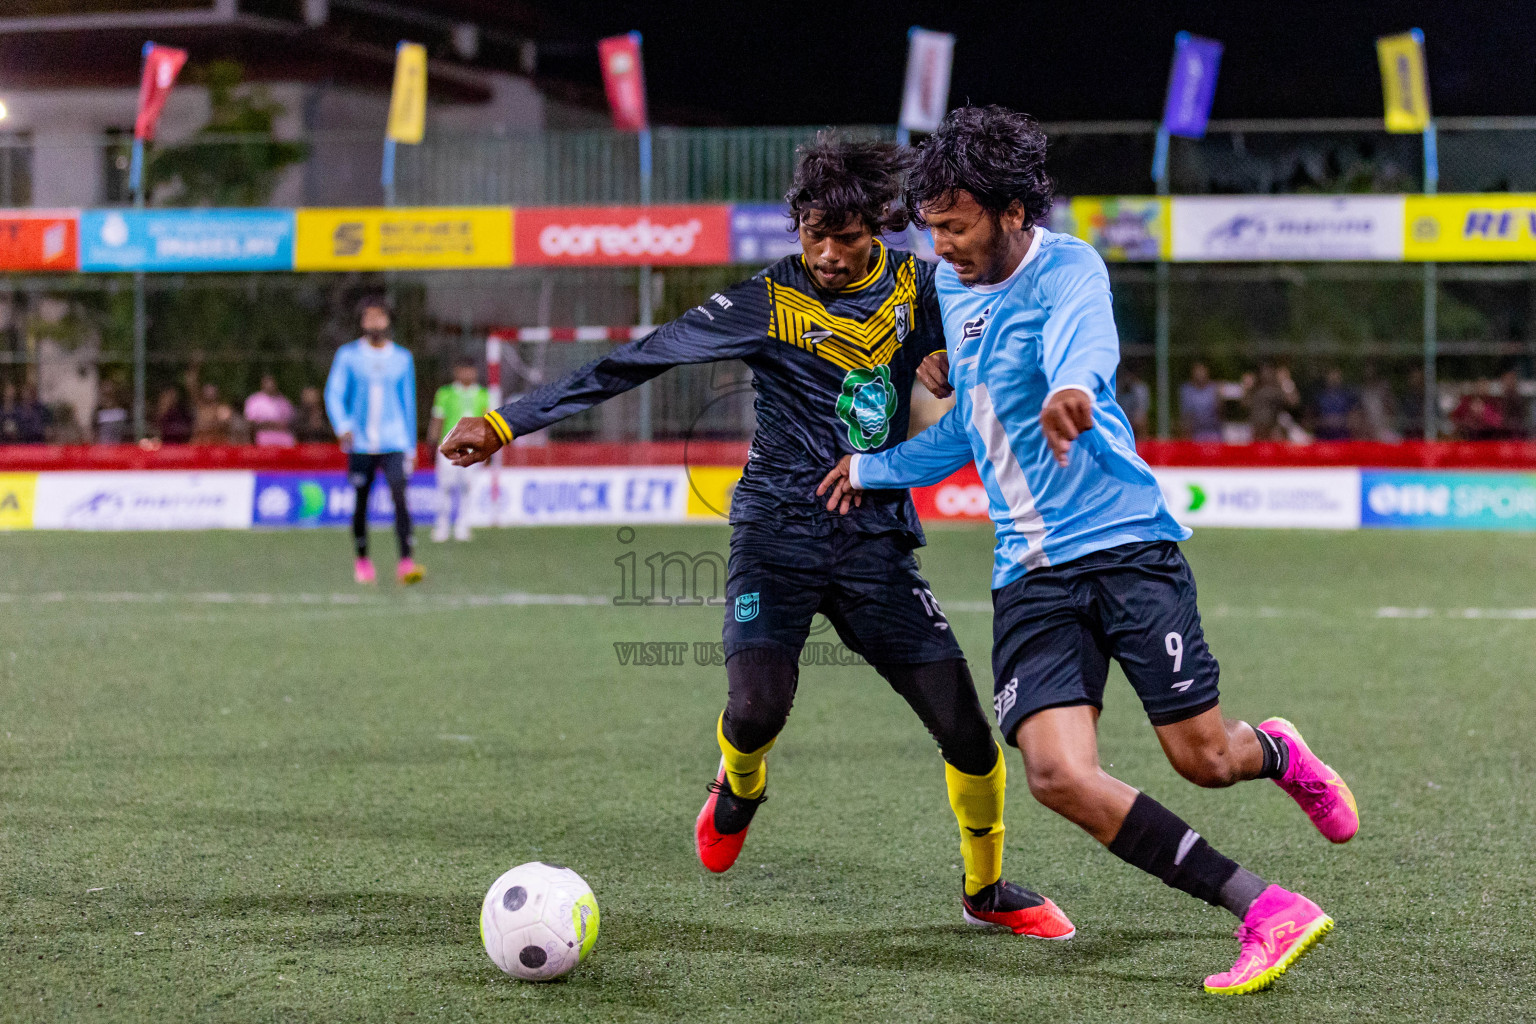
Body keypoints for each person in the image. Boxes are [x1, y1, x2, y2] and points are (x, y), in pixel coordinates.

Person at [439, 135, 1073, 939]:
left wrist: (950, 356)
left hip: (874, 537)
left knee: (967, 735)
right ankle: (738, 784)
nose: (830, 252)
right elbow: (636, 361)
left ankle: (985, 890)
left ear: (881, 224)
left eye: (848, 234)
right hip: (776, 529)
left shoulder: (927, 286)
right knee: (757, 708)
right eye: (814, 231)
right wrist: (503, 422)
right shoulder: (763, 302)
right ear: (796, 226)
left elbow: (988, 338)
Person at [819, 106, 1353, 995]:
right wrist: (877, 468)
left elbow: (1086, 344)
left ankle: (1277, 751)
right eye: (935, 228)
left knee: (1203, 758)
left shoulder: (1070, 267)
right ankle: (1265, 906)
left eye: (956, 225)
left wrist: (1071, 387)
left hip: (1125, 547)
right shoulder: (946, 289)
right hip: (1028, 573)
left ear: (1013, 211)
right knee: (1058, 775)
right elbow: (970, 435)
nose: (942, 245)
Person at [325, 296, 423, 586]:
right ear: (361, 322)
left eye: (379, 316)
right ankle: (362, 559)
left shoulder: (403, 358)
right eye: (368, 317)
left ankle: (406, 561)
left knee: (400, 497)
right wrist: (342, 425)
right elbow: (333, 393)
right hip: (361, 444)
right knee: (361, 501)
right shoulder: (348, 356)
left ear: (389, 320)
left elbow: (408, 403)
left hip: (394, 442)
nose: (374, 322)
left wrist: (411, 445)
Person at [428, 357, 490, 543]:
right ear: (457, 371)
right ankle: (442, 525)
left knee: (467, 488)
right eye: (463, 369)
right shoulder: (445, 393)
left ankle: (463, 526)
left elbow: (488, 424)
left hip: (472, 449)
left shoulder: (483, 394)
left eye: (470, 370)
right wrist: (432, 443)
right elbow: (437, 420)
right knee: (445, 488)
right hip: (449, 447)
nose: (467, 373)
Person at [245, 374, 296, 447]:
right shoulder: (254, 400)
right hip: (262, 434)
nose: (270, 385)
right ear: (262, 384)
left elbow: (288, 422)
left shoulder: (284, 401)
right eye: (267, 382)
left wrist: (276, 425)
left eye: (272, 382)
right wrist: (269, 424)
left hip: (282, 435)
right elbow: (251, 422)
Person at [1311, 367, 1358, 441]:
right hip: (1323, 439)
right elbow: (1311, 421)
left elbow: (1354, 420)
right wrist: (1326, 422)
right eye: (1331, 375)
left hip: (1343, 439)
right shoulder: (1319, 397)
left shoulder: (1348, 396)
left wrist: (1339, 421)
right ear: (1326, 377)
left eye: (1336, 375)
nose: (1334, 378)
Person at [1179, 362, 1223, 442]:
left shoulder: (1215, 389)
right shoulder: (1187, 390)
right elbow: (1186, 416)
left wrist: (1220, 398)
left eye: (1202, 371)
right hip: (1195, 433)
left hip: (1213, 432)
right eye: (1197, 371)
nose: (1200, 374)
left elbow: (1221, 412)